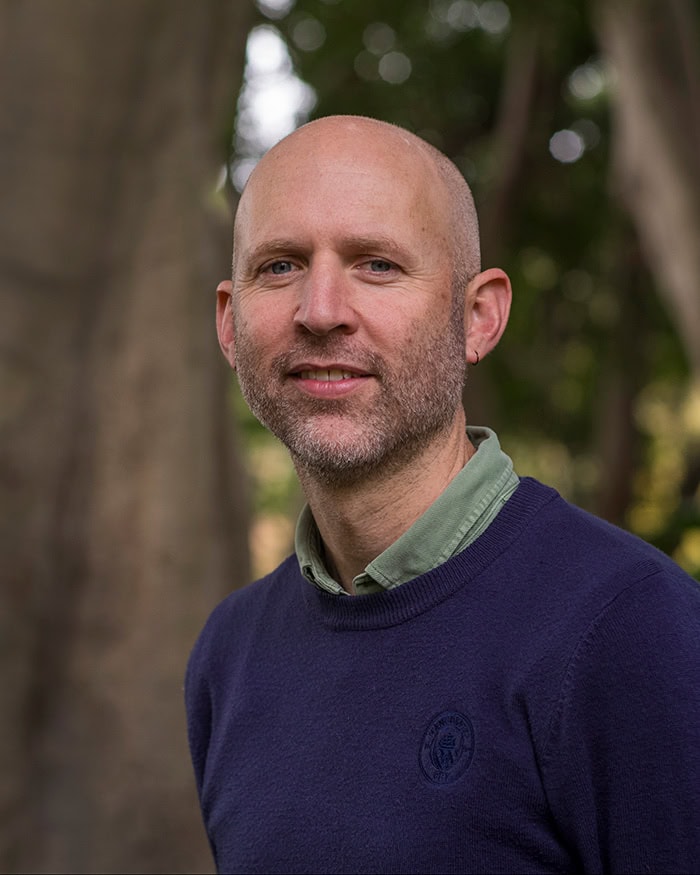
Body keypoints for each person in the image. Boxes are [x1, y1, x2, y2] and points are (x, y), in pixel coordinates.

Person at [185, 115, 700, 874]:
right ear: (230, 324)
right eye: (282, 266)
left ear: (478, 316)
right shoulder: (227, 658)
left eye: (378, 265)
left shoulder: (627, 629)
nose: (321, 309)